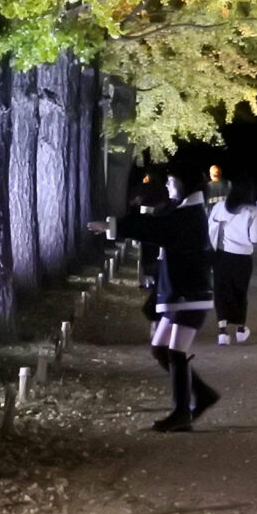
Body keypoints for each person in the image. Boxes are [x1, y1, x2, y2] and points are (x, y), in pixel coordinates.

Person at [106, 176, 222, 432]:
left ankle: (182, 412)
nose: (168, 186)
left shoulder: (190, 215)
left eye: (172, 181)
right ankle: (202, 395)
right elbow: (155, 225)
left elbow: (155, 229)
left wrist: (117, 226)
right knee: (160, 349)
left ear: (185, 184)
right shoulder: (182, 211)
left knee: (175, 351)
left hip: (190, 295)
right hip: (178, 294)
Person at [207, 177, 257, 344]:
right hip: (242, 257)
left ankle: (222, 331)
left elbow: (210, 229)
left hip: (221, 255)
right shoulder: (251, 211)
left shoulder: (220, 207)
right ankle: (240, 329)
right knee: (240, 291)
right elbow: (255, 238)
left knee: (221, 291)